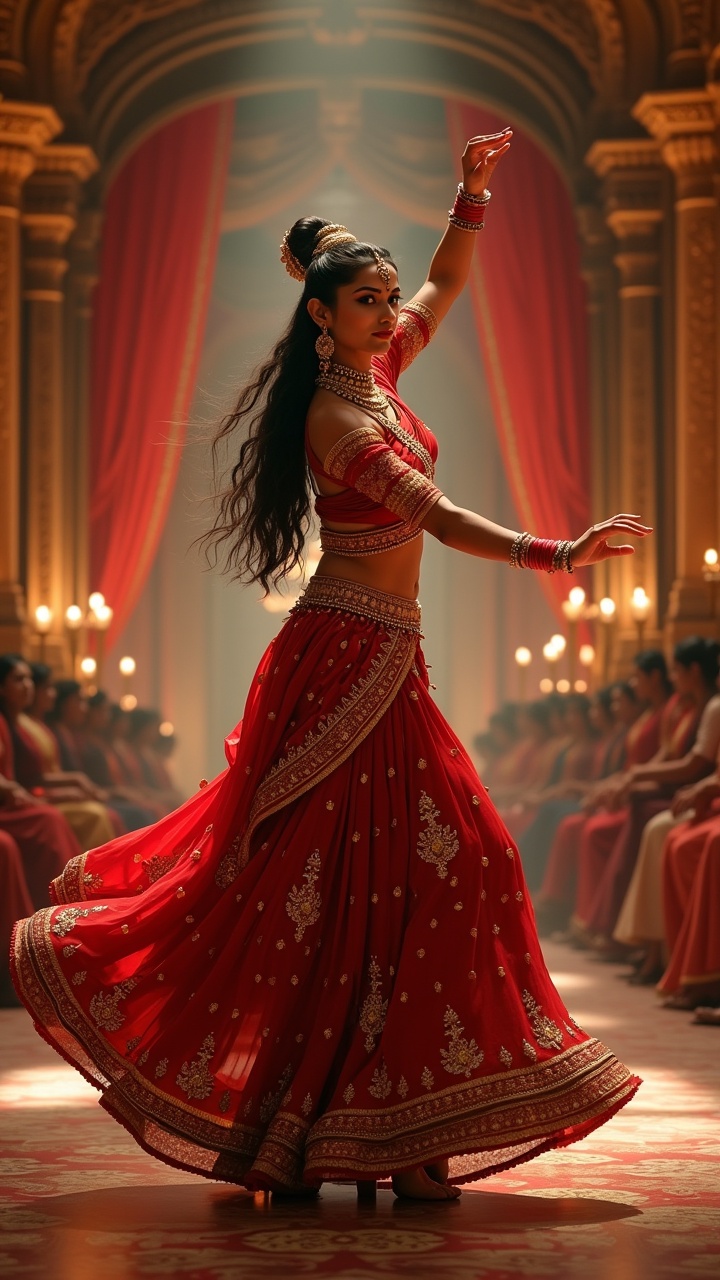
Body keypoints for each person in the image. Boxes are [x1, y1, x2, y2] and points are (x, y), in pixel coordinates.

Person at [11, 129, 650, 1202]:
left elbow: (448, 279)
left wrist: (472, 195)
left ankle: (387, 1124)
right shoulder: (336, 414)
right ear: (322, 314)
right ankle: (317, 1120)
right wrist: (560, 550)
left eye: (387, 300)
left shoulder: (383, 367)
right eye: (367, 301)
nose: (390, 312)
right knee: (331, 891)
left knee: (429, 877)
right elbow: (437, 516)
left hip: (392, 657)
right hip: (342, 657)